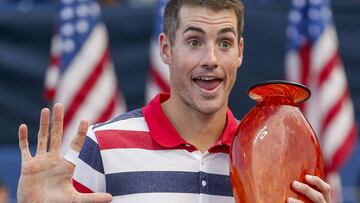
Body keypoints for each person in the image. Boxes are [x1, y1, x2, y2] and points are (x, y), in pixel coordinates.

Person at [17, 0, 332, 202]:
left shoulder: (268, 159)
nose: (211, 58)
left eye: (224, 42)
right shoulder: (101, 146)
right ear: (166, 49)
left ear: (240, 52)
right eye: (194, 41)